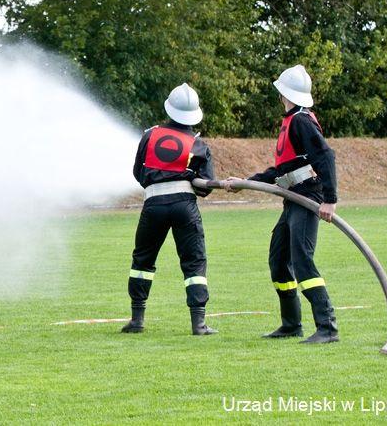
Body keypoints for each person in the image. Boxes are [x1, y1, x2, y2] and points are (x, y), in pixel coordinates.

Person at [224, 64, 339, 344]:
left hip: (307, 198)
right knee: (279, 260)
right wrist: (245, 181)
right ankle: (291, 324)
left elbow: (326, 157)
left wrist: (330, 199)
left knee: (302, 261)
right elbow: (281, 171)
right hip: (292, 200)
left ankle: (327, 327)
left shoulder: (301, 120)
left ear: (283, 94)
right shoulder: (291, 122)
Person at [122, 83, 217, 336]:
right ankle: (199, 324)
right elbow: (206, 187)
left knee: (142, 260)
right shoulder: (198, 145)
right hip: (185, 205)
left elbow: (138, 172)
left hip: (153, 204)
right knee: (194, 262)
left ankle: (137, 319)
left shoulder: (149, 135)